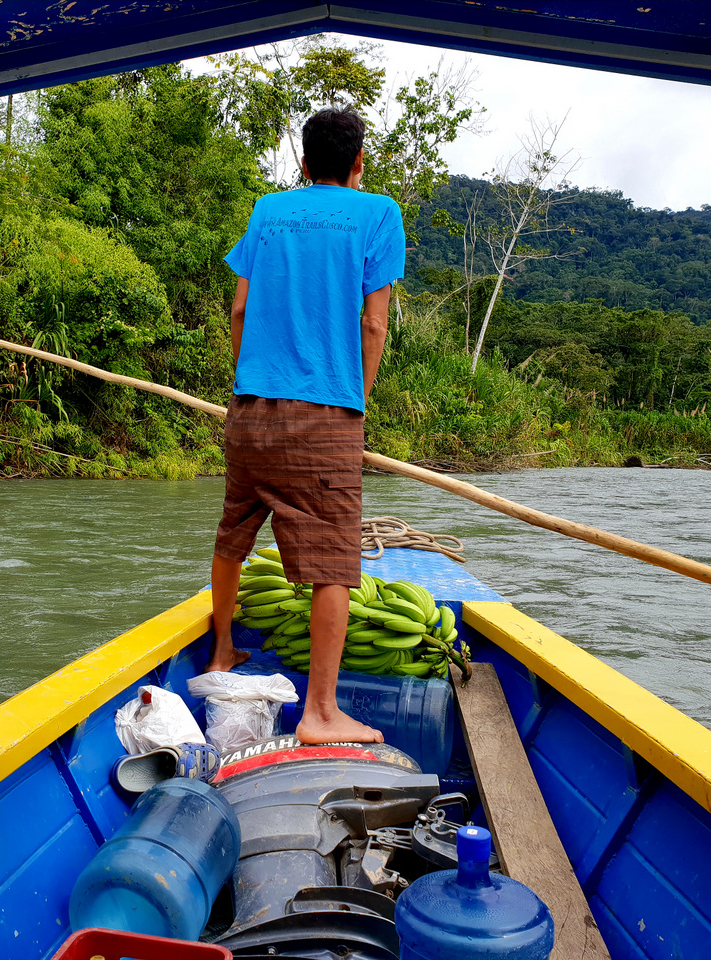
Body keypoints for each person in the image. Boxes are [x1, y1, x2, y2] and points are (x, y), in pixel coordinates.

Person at [204, 107, 406, 745]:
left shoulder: (268, 210)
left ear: (301, 163)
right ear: (358, 163)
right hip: (326, 414)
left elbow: (239, 309)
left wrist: (251, 380)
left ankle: (218, 654)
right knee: (334, 563)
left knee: (234, 531)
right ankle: (321, 712)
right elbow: (373, 325)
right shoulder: (378, 214)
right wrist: (357, 402)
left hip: (249, 411)